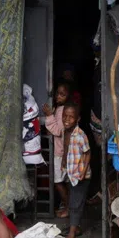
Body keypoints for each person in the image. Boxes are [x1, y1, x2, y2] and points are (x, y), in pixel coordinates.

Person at [43, 81, 73, 219]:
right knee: (64, 181)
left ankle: (68, 208)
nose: (58, 97)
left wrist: (49, 116)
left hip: (61, 153)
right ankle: (68, 206)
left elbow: (59, 131)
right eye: (57, 93)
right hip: (62, 152)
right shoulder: (60, 109)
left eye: (62, 94)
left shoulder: (63, 111)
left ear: (68, 96)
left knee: (58, 182)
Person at [62, 103, 91, 238]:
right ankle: (75, 228)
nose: (67, 119)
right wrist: (63, 164)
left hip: (81, 176)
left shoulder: (80, 135)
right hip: (72, 174)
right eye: (64, 116)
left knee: (75, 205)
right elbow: (67, 150)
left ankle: (72, 237)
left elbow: (88, 153)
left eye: (71, 117)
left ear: (77, 119)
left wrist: (83, 172)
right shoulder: (66, 132)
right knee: (74, 202)